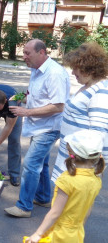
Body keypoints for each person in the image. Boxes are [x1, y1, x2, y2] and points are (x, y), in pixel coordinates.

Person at [5, 39, 70, 218]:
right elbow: (42, 96)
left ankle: (24, 207)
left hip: (49, 127)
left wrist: (26, 111)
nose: (24, 56)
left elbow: (58, 106)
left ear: (41, 53)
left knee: (31, 164)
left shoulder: (54, 73)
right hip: (40, 125)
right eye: (24, 52)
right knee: (40, 163)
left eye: (27, 53)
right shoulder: (37, 69)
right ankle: (42, 197)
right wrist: (24, 99)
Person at [25, 130, 105, 243]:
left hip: (60, 234)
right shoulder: (96, 179)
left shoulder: (67, 180)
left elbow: (55, 213)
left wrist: (38, 234)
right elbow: (87, 210)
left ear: (71, 154)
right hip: (77, 233)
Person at [51, 42, 108, 183]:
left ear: (89, 69)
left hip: (81, 167)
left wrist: (84, 171)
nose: (72, 73)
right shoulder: (89, 86)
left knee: (69, 204)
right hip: (72, 159)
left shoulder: (101, 92)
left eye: (75, 68)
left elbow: (98, 135)